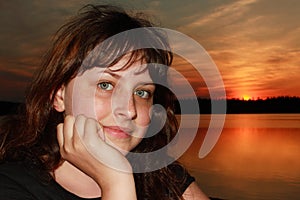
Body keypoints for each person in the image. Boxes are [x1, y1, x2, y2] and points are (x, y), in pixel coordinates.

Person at [0, 4, 209, 200]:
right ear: (59, 96)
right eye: (106, 85)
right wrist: (116, 181)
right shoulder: (11, 184)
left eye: (142, 92)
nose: (129, 110)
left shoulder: (162, 175)